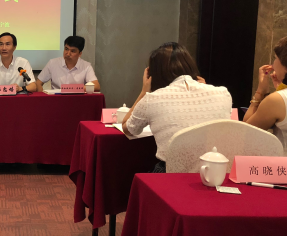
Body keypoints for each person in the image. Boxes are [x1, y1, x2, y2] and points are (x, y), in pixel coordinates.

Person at [121, 42, 232, 172]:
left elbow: (128, 128)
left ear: (154, 74)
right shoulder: (223, 93)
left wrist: (144, 92)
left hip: (172, 173)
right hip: (217, 172)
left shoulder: (152, 99)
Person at [244, 36, 287, 154]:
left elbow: (245, 133)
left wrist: (261, 91)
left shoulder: (277, 101)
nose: (273, 63)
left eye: (275, 58)